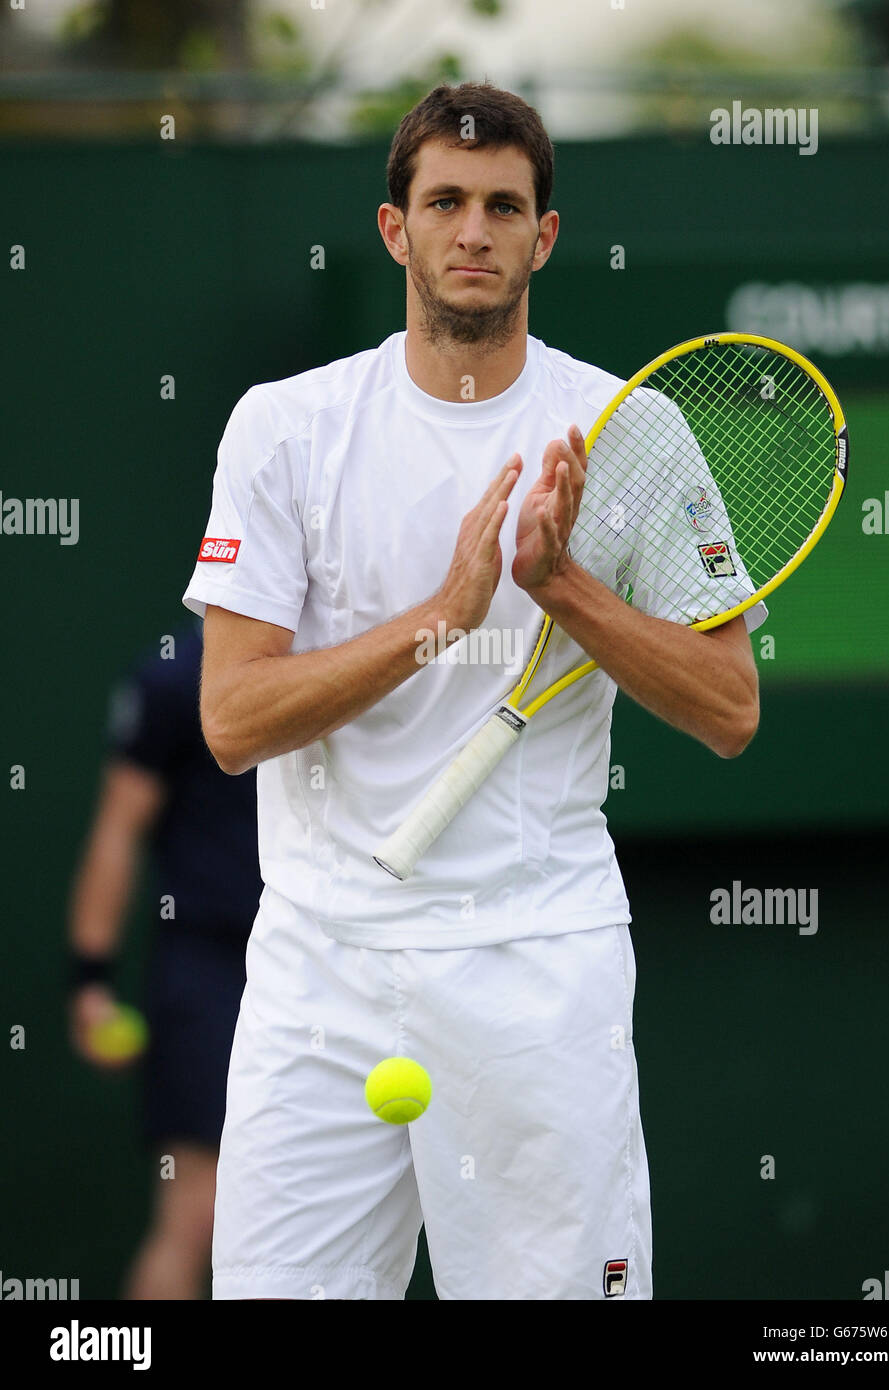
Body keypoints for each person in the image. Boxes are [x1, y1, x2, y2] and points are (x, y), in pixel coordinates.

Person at [183, 82, 763, 1301]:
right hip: (318, 969)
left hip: (538, 965)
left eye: (504, 206)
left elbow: (727, 707)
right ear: (395, 229)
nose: (473, 230)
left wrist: (564, 593)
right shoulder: (282, 429)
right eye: (443, 201)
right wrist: (442, 619)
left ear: (541, 237)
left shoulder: (631, 429)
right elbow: (231, 723)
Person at [67, 619, 262, 1299]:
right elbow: (119, 827)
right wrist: (91, 979)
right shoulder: (177, 676)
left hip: (322, 965)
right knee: (197, 1214)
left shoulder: (346, 659)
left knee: (310, 1231)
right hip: (206, 972)